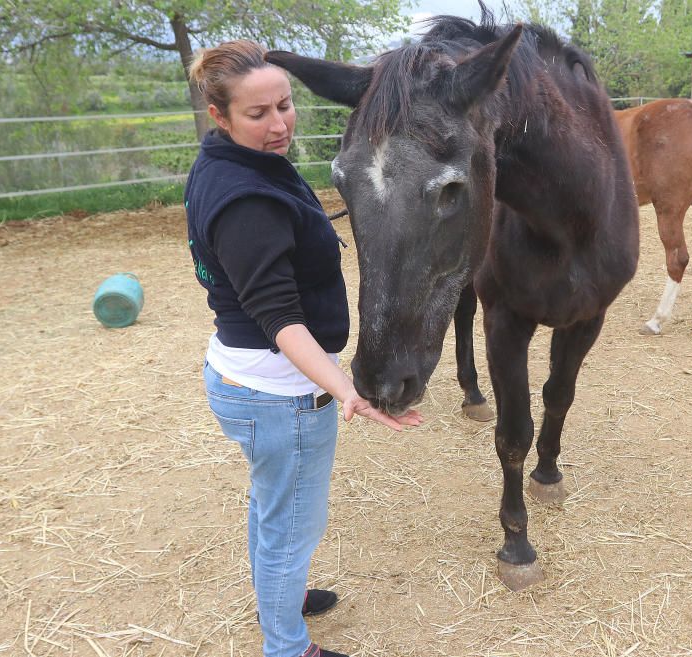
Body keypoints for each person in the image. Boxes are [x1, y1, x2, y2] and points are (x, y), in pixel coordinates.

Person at [184, 40, 421, 657]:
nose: (279, 123)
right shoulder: (247, 203)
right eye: (257, 114)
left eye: (284, 105)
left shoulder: (231, 164)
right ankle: (288, 646)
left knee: (274, 506)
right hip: (280, 391)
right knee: (291, 526)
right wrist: (344, 389)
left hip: (247, 377)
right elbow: (280, 320)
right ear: (221, 116)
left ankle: (281, 593)